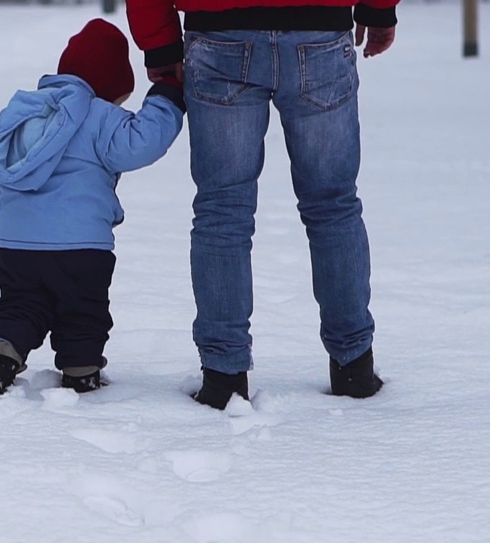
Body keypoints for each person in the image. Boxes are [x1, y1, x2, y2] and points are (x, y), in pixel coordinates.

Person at [126, 0, 398, 409]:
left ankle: (223, 376)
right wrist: (378, 9)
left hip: (218, 35)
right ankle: (354, 366)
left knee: (222, 211)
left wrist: (161, 44)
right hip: (319, 33)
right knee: (333, 205)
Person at [0, 18, 187, 401]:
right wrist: (166, 96)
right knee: (82, 310)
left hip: (18, 245)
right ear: (111, 87)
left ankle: (1, 358)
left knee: (19, 305)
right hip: (82, 247)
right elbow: (143, 141)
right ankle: (81, 371)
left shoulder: (18, 114)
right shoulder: (100, 116)